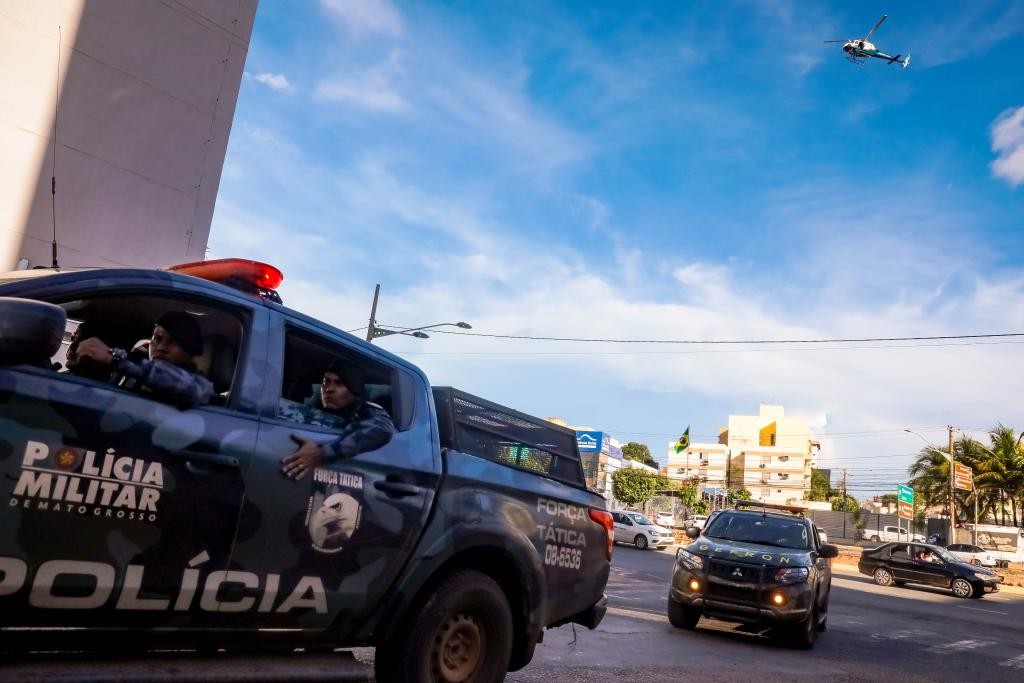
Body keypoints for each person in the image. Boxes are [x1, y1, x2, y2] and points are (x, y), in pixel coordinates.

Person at [72, 311, 213, 408]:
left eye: (173, 342)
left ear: (190, 351)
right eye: (157, 339)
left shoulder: (200, 385)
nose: (161, 348)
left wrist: (116, 359)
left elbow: (182, 385)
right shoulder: (134, 367)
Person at [281, 363, 395, 479]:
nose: (328, 389)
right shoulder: (309, 410)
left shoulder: (364, 410)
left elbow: (383, 427)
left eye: (339, 383)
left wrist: (323, 452)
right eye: (326, 382)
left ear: (354, 389)